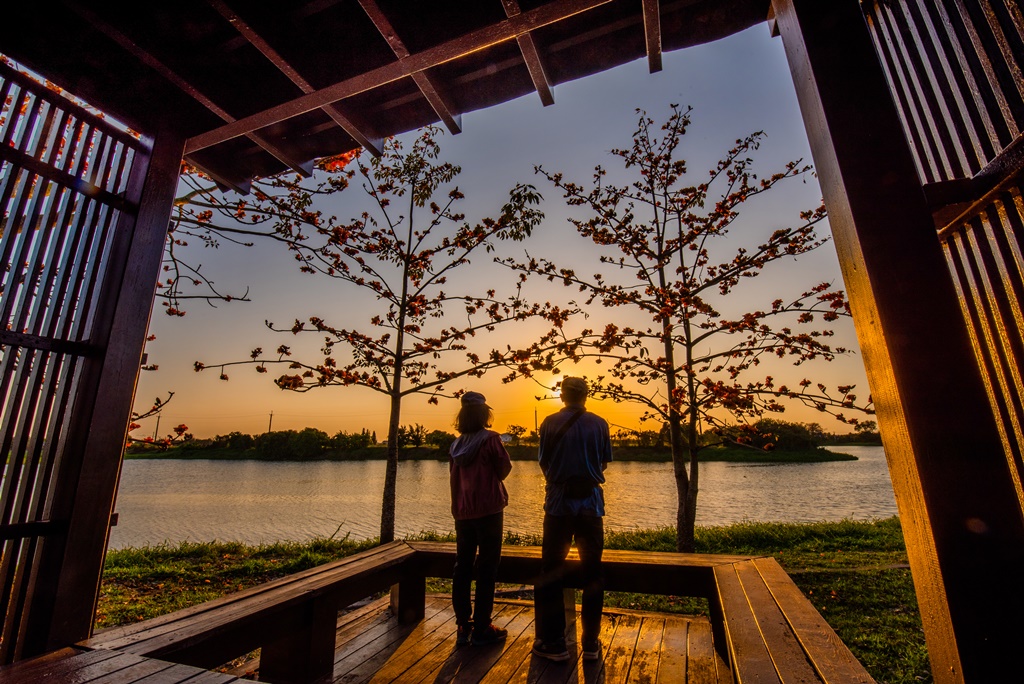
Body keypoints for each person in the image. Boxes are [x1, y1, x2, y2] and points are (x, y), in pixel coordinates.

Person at [532, 376, 612, 662]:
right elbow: (604, 462)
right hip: (591, 505)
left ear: (562, 396)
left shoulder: (550, 423)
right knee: (593, 573)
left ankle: (553, 643)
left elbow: (543, 461)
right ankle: (590, 642)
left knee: (551, 571)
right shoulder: (600, 424)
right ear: (586, 395)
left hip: (558, 505)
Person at [449, 391, 513, 647]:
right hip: (488, 511)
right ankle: (483, 626)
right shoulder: (491, 440)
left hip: (463, 512)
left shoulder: (455, 445)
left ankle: (464, 625)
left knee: (462, 567)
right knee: (487, 567)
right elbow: (504, 468)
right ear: (485, 413)